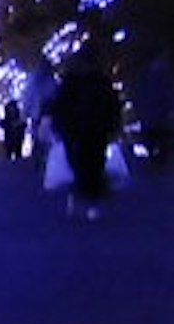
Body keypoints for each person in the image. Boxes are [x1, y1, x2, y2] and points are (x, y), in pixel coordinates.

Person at [47, 51, 124, 218]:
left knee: (86, 162)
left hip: (85, 129)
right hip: (88, 129)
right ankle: (91, 195)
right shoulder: (95, 82)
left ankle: (88, 195)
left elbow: (60, 107)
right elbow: (112, 105)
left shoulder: (74, 83)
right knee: (89, 162)